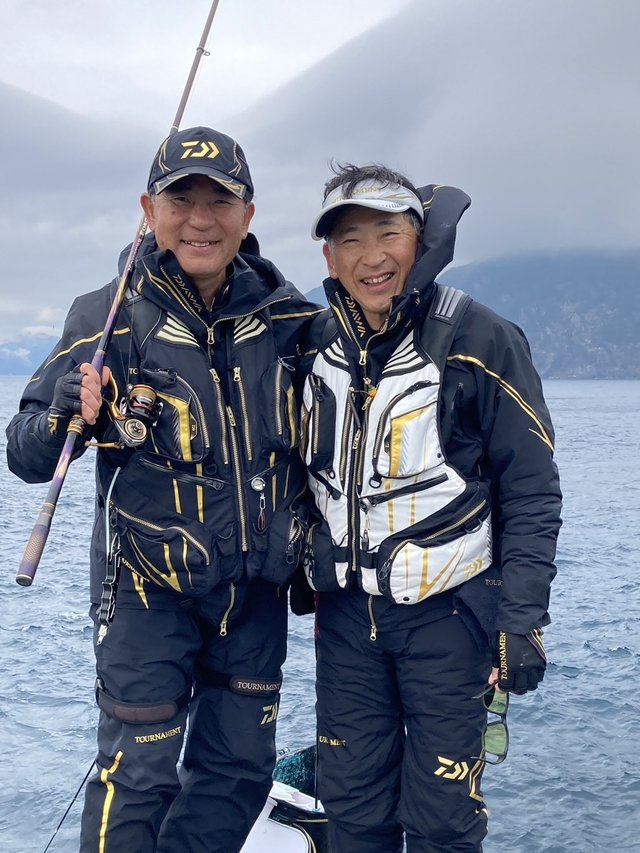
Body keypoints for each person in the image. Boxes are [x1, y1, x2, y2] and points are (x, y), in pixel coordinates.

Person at [6, 126, 322, 853]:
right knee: (139, 777)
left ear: (249, 215)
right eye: (181, 200)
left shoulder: (289, 318)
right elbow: (24, 453)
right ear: (149, 210)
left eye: (221, 201)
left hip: (254, 593)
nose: (200, 219)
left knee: (240, 773)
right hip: (145, 593)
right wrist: (64, 409)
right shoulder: (105, 314)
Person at [298, 163, 562, 852]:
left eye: (388, 233)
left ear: (421, 240)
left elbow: (532, 487)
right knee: (351, 807)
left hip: (450, 616)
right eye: (351, 239)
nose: (371, 257)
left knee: (445, 818)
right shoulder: (312, 344)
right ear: (329, 257)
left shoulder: (482, 337)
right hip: (346, 620)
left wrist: (522, 618)